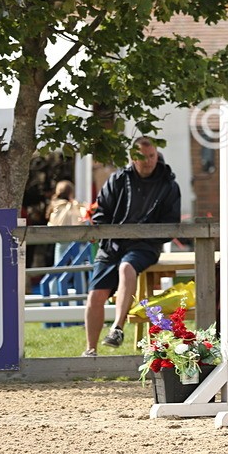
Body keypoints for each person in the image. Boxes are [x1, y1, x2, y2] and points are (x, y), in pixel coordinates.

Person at [84, 137, 181, 356]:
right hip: (112, 244)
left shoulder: (168, 184)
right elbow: (101, 214)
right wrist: (96, 231)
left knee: (126, 268)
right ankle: (90, 350)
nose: (148, 161)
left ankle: (117, 328)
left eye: (152, 156)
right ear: (132, 158)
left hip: (146, 245)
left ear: (157, 155)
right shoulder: (117, 180)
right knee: (95, 296)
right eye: (142, 157)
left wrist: (148, 236)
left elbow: (172, 223)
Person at [47, 180, 88, 265]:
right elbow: (82, 219)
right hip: (75, 240)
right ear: (71, 193)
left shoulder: (55, 206)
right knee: (76, 266)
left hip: (60, 240)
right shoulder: (75, 206)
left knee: (59, 266)